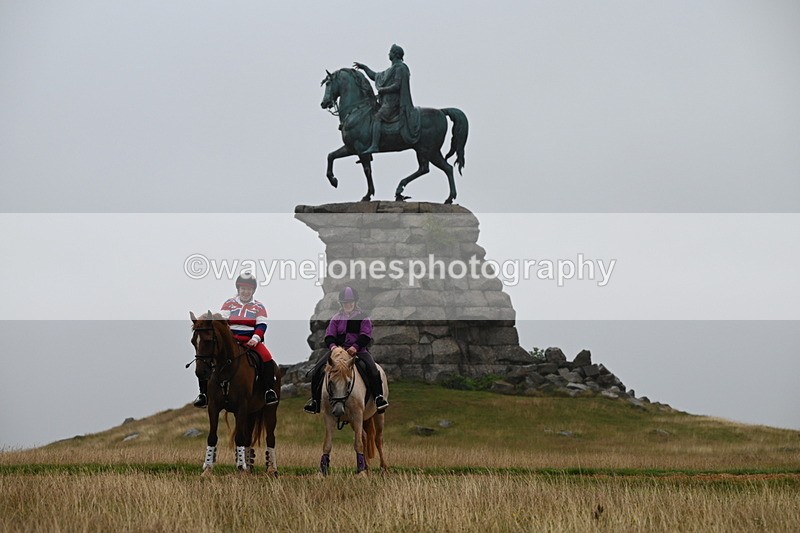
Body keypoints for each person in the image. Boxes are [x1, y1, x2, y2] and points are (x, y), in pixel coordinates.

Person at [193, 272, 279, 407]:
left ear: (253, 290)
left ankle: (269, 390)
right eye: (243, 288)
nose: (246, 292)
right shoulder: (229, 304)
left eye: (249, 289)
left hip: (251, 341)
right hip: (232, 341)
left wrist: (255, 338)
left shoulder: (259, 306)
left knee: (267, 357)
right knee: (207, 358)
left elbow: (261, 324)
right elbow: (222, 319)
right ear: (238, 289)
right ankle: (203, 394)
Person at [303, 286, 388, 414]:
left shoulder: (363, 318)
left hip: (359, 351)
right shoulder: (336, 318)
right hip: (337, 352)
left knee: (372, 369)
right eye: (345, 302)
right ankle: (315, 401)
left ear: (355, 302)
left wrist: (355, 347)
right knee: (317, 370)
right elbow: (329, 336)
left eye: (350, 302)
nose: (348, 304)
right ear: (341, 304)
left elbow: (365, 336)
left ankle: (378, 398)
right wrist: (333, 347)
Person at [353, 44, 420, 155]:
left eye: (390, 52)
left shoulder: (400, 68)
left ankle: (375, 145)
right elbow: (375, 76)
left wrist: (383, 90)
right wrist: (364, 68)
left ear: (395, 54)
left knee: (377, 117)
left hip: (394, 103)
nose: (388, 54)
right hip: (386, 102)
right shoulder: (390, 70)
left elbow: (397, 85)